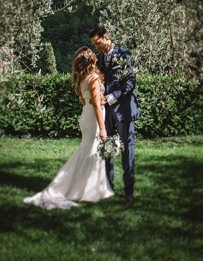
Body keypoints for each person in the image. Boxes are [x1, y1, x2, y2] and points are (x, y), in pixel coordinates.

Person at [23, 47, 113, 210]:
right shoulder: (92, 78)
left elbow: (84, 98)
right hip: (93, 119)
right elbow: (97, 106)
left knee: (89, 152)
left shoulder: (83, 77)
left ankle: (92, 189)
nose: (97, 58)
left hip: (86, 117)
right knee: (90, 152)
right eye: (94, 56)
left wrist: (99, 99)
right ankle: (79, 188)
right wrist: (103, 128)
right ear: (91, 60)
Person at [88, 27, 140, 203]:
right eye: (94, 44)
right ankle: (108, 187)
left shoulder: (124, 54)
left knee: (127, 150)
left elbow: (130, 83)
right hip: (106, 113)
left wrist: (110, 98)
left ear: (106, 36)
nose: (97, 47)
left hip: (123, 110)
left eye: (98, 42)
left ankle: (128, 192)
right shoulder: (100, 58)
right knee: (107, 150)